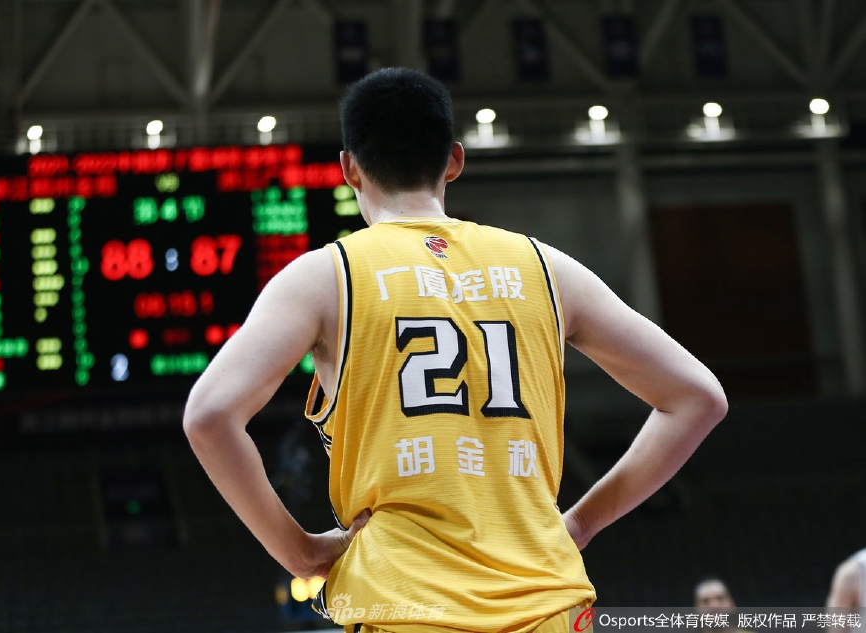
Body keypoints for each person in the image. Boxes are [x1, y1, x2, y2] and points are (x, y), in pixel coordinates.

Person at [183, 68, 727, 632]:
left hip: (405, 607)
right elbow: (699, 398)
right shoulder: (547, 268)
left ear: (349, 168)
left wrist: (299, 553)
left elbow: (209, 415)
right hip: (547, 604)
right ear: (453, 161)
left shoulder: (324, 278)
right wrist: (582, 523)